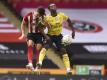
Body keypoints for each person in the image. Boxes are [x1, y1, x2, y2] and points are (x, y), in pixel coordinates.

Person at [36, 3, 75, 76]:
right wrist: (46, 36)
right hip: (50, 36)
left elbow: (69, 20)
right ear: (49, 9)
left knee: (63, 51)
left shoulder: (61, 15)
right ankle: (39, 63)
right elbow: (39, 27)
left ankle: (68, 70)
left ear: (56, 8)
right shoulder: (47, 18)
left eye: (54, 6)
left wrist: (73, 31)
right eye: (51, 7)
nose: (53, 7)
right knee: (45, 47)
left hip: (58, 36)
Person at [19, 6, 48, 71]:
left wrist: (43, 26)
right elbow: (23, 24)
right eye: (38, 15)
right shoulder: (29, 15)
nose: (39, 16)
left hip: (39, 35)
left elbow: (46, 27)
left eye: (40, 15)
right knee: (30, 44)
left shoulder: (43, 18)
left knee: (38, 48)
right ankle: (30, 63)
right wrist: (23, 33)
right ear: (37, 12)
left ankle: (38, 65)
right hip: (31, 34)